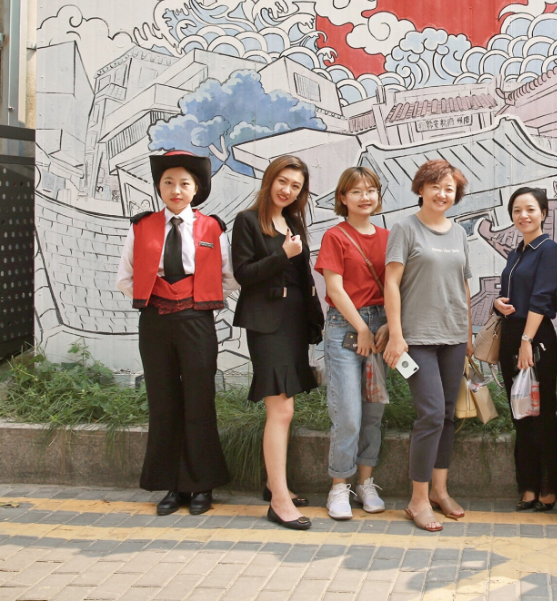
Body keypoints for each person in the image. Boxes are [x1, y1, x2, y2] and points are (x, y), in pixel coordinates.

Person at [116, 151, 237, 516]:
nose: (176, 190)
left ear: (196, 189)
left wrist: (194, 298)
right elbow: (125, 277)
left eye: (184, 183)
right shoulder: (141, 226)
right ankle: (172, 485)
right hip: (154, 322)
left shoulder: (212, 228)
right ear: (159, 187)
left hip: (196, 320)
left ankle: (201, 485)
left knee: (199, 401)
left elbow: (229, 278)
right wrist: (157, 297)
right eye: (168, 182)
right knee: (164, 402)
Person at [232, 155, 324, 531]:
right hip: (266, 323)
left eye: (296, 186)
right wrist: (281, 254)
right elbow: (243, 274)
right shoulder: (247, 221)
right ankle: (279, 500)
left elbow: (303, 276)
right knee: (281, 409)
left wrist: (313, 320)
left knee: (287, 408)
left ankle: (274, 484)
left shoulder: (294, 222)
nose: (287, 190)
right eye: (283, 181)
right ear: (270, 180)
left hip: (293, 321)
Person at [384, 159, 473, 533]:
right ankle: (417, 500)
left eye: (449, 188)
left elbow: (464, 285)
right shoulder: (405, 228)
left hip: (453, 336)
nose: (442, 193)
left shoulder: (460, 233)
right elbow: (391, 283)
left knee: (448, 415)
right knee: (432, 414)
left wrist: (468, 336)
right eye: (435, 186)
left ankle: (439, 490)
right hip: (417, 338)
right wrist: (396, 334)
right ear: (420, 188)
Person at [315, 167, 390, 521]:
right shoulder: (335, 236)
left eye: (371, 190)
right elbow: (334, 288)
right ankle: (338, 486)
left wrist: (388, 325)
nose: (365, 197)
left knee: (373, 412)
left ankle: (365, 482)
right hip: (345, 328)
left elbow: (397, 286)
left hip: (380, 328)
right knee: (347, 414)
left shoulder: (389, 237)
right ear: (343, 198)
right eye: (356, 191)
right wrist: (362, 327)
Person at [494, 187, 557, 512]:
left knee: (542, 412)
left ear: (543, 213)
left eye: (530, 209)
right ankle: (528, 486)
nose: (523, 215)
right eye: (517, 211)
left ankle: (548, 487)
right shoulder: (516, 252)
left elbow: (542, 297)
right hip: (511, 336)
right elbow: (512, 293)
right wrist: (498, 303)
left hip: (535, 339)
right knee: (520, 411)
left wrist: (526, 341)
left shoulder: (548, 250)